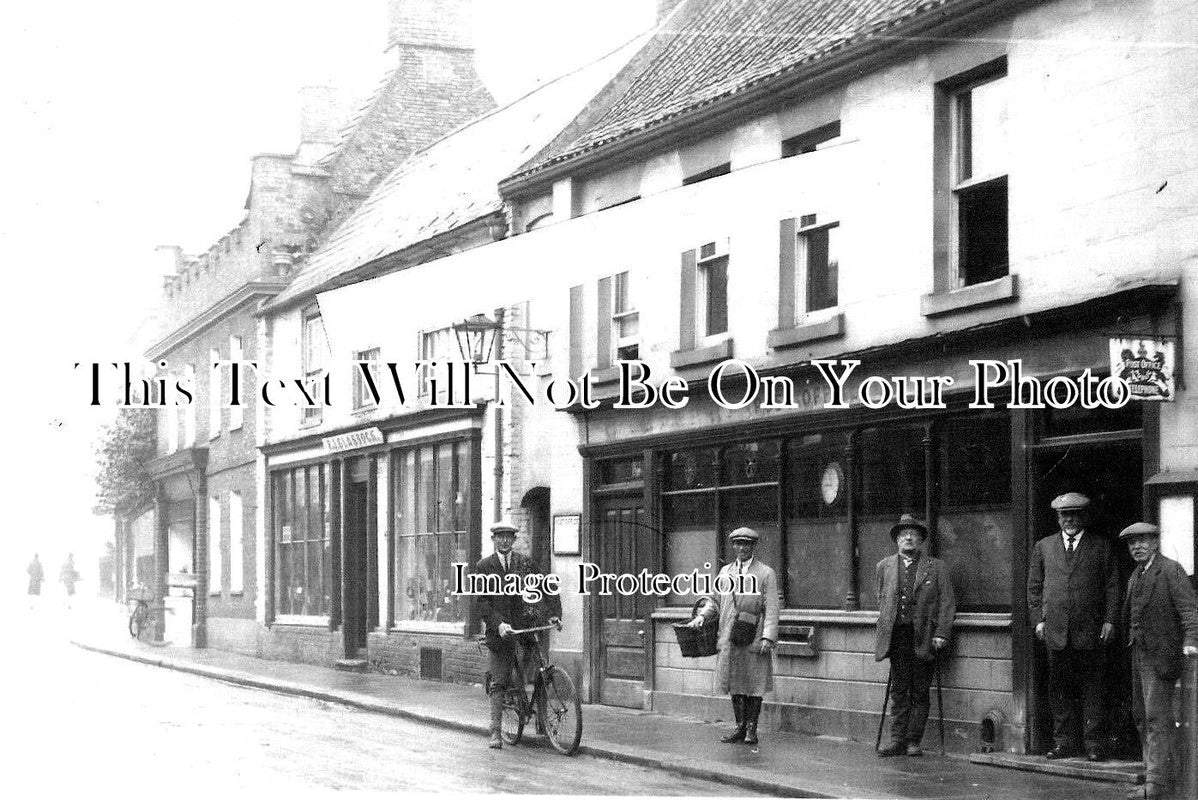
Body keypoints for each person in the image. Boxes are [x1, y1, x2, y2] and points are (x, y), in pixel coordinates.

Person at [1026, 491, 1119, 761]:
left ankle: (1094, 745)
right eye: (1065, 515)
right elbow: (1033, 588)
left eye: (1075, 514)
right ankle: (1063, 743)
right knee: (1060, 690)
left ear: (1084, 516)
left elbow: (1113, 586)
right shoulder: (1044, 546)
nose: (1070, 520)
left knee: (1093, 689)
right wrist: (1038, 620)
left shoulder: (1101, 546)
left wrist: (1110, 620)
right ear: (1057, 518)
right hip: (1055, 631)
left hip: (1091, 631)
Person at [1118, 522, 1198, 800]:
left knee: (1157, 720)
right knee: (1142, 718)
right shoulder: (1136, 574)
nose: (1137, 547)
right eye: (1132, 543)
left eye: (1143, 541)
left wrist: (1190, 642)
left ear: (1155, 543)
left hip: (1161, 657)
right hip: (1139, 655)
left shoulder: (1170, 569)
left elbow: (1189, 611)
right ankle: (1153, 779)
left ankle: (1157, 787)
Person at [686, 527, 780, 746]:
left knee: (754, 682)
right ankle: (739, 728)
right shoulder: (726, 572)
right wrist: (701, 617)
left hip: (754, 635)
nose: (741, 548)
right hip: (729, 635)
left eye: (745, 544)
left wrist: (768, 636)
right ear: (733, 546)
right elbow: (715, 601)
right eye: (737, 544)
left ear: (753, 547)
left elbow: (773, 608)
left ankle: (751, 730)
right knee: (735, 681)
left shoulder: (766, 573)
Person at [475, 519, 561, 750]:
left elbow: (546, 584)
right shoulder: (484, 567)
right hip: (501, 633)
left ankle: (542, 723)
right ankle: (495, 731)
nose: (505, 540)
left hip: (524, 628)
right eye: (500, 536)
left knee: (541, 671)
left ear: (514, 540)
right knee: (499, 682)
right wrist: (499, 624)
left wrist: (553, 613)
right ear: (494, 539)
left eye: (509, 537)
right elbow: (482, 603)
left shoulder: (525, 563)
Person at [874, 514, 956, 757]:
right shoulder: (884, 566)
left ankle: (913, 740)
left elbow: (947, 603)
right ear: (897, 540)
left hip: (925, 636)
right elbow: (882, 600)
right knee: (899, 689)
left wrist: (941, 632)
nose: (908, 538)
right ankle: (896, 739)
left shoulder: (936, 567)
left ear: (920, 540)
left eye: (913, 534)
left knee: (920, 690)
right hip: (897, 636)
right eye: (903, 534)